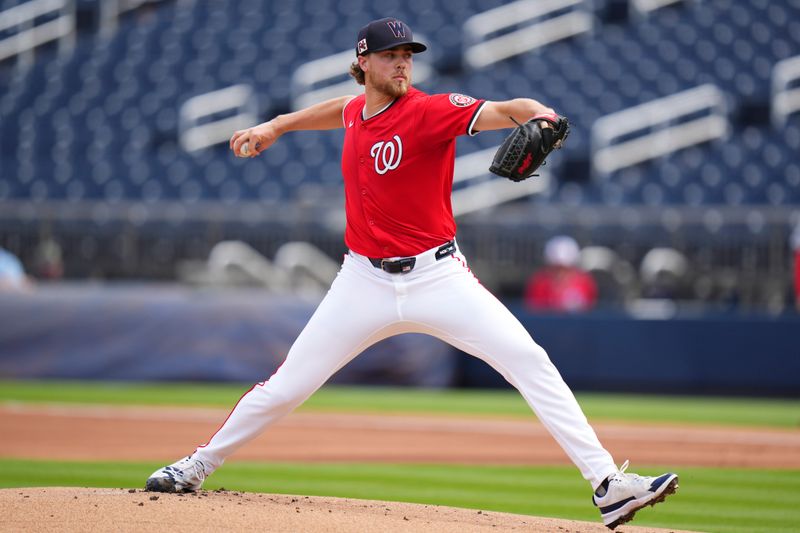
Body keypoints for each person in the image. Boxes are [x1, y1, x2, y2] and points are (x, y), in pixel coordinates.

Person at [145, 18, 678, 529]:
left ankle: (607, 483)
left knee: (529, 359)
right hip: (362, 282)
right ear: (363, 62)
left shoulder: (432, 111)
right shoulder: (357, 111)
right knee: (286, 387)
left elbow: (507, 109)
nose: (403, 64)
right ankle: (196, 466)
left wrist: (540, 114)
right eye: (391, 56)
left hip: (438, 277)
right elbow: (342, 109)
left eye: (407, 56)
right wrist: (277, 125)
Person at [525, 235, 597, 312]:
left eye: (565, 269)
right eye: (556, 268)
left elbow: (590, 310)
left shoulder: (585, 282)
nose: (560, 273)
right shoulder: (539, 283)